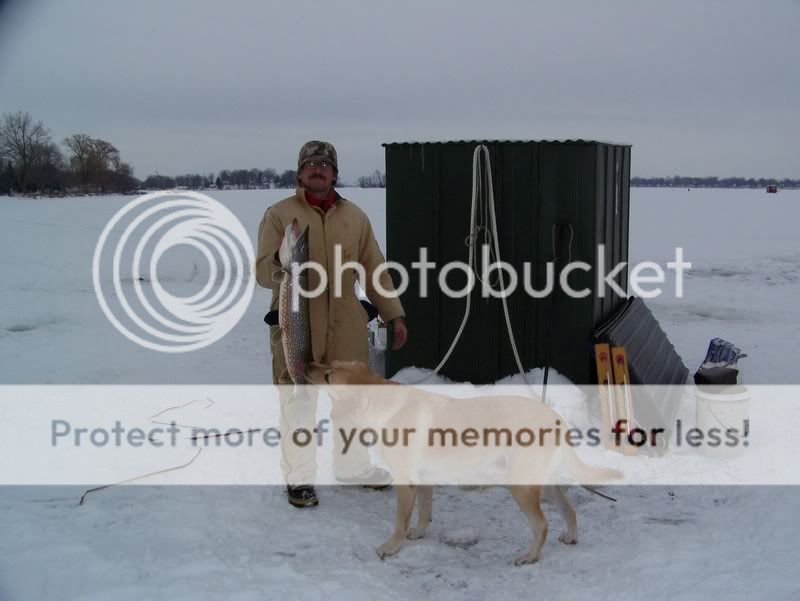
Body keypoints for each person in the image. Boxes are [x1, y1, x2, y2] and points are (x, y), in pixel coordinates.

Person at [255, 141, 408, 508]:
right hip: (295, 323)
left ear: (335, 173)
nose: (317, 169)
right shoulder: (279, 215)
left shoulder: (355, 217)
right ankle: (300, 480)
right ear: (299, 173)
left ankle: (353, 467)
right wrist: (281, 259)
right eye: (310, 164)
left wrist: (393, 312)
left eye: (324, 165)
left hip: (346, 325)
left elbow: (374, 269)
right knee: (298, 402)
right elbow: (262, 272)